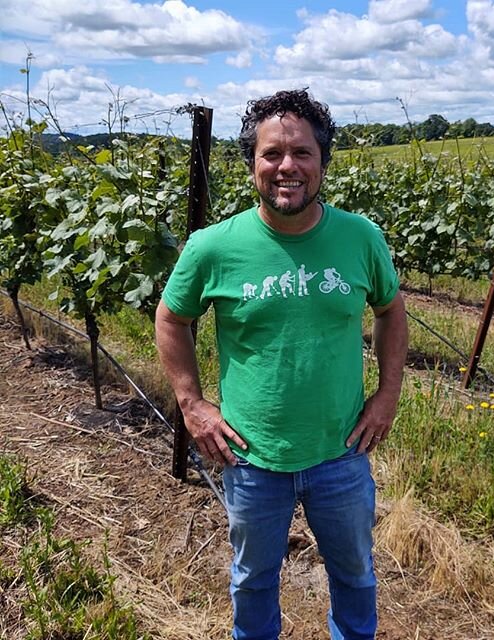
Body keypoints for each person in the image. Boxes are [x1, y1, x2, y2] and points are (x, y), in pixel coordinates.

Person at [155, 89, 408, 640]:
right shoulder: (213, 247)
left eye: (302, 153)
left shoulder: (361, 238)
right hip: (251, 457)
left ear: (322, 162)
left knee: (355, 576)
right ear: (252, 164)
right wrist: (192, 405)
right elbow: (171, 319)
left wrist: (387, 396)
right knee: (252, 580)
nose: (286, 166)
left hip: (341, 452)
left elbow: (391, 310)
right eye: (271, 154)